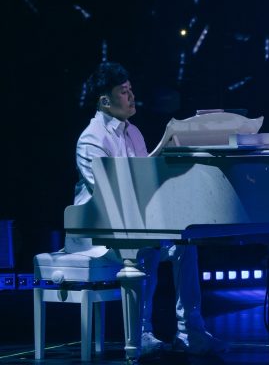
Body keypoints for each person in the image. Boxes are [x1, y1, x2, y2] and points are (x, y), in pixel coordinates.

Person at [69, 61, 228, 356]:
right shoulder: (92, 138)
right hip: (99, 228)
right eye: (123, 92)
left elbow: (145, 185)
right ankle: (140, 332)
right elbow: (106, 193)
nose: (131, 97)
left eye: (131, 90)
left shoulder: (134, 133)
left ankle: (191, 332)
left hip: (132, 220)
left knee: (184, 245)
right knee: (149, 248)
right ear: (105, 101)